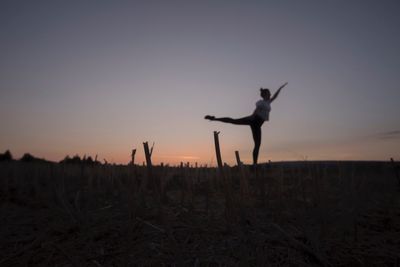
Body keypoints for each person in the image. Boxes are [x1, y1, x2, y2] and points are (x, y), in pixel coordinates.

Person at [205, 82, 287, 166]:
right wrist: (252, 116)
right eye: (269, 93)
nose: (270, 94)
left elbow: (275, 96)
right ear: (265, 94)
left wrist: (280, 88)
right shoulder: (261, 102)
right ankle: (214, 118)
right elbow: (256, 110)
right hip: (254, 119)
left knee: (257, 144)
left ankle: (255, 164)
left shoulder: (268, 102)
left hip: (258, 124)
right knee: (233, 121)